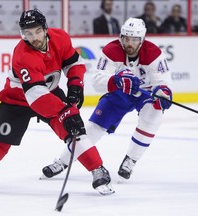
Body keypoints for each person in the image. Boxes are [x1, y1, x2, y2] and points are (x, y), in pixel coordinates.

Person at [0, 9, 114, 195]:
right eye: (28, 33)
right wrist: (64, 111)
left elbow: (73, 64)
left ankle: (98, 169)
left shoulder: (60, 37)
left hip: (50, 93)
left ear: (45, 29)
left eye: (37, 31)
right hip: (17, 101)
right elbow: (36, 96)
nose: (33, 37)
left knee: (75, 130)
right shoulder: (23, 54)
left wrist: (76, 87)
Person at [41, 17, 172, 182]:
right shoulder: (111, 50)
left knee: (154, 114)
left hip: (144, 94)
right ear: (121, 37)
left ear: (142, 39)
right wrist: (116, 80)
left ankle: (130, 160)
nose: (129, 44)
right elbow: (97, 82)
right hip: (120, 94)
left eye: (134, 39)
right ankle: (62, 161)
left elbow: (163, 81)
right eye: (126, 39)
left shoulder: (153, 53)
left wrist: (164, 93)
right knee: (92, 128)